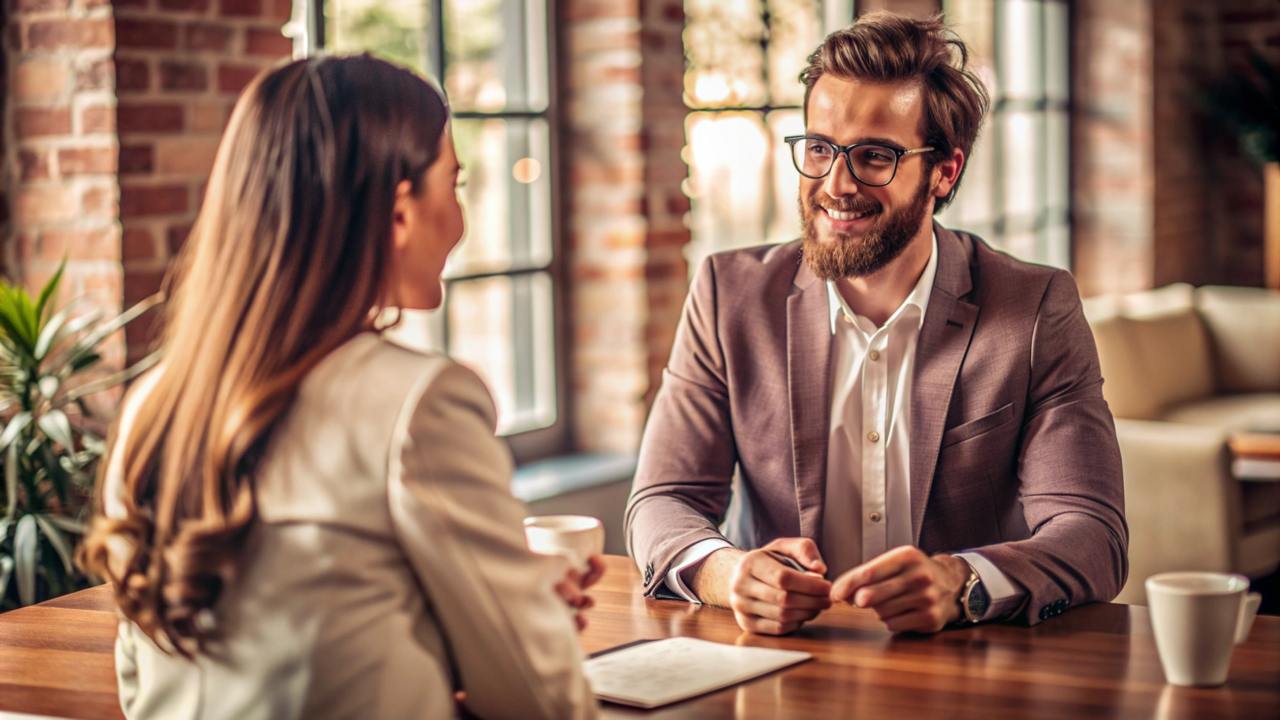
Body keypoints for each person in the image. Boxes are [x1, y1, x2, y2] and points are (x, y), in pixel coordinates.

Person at [79, 55, 600, 720]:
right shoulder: (419, 404)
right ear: (400, 212)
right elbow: (539, 700)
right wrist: (522, 624)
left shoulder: (151, 404)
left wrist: (483, 612)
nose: (462, 219)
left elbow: (146, 678)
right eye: (455, 184)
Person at [625, 12, 1128, 636]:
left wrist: (964, 583)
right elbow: (662, 500)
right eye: (819, 149)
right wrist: (727, 573)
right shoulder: (728, 296)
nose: (836, 185)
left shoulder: (1035, 308)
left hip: (968, 663)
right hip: (782, 659)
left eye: (874, 156)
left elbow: (1093, 534)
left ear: (944, 171)